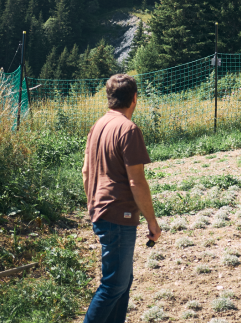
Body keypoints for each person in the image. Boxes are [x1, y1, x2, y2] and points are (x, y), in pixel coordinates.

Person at [82, 74, 161, 323]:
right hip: (118, 216)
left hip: (102, 211)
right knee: (114, 285)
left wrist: (94, 205)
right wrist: (152, 221)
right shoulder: (128, 129)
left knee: (123, 282)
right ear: (134, 98)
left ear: (109, 98)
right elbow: (136, 181)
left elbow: (85, 171)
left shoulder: (98, 125)